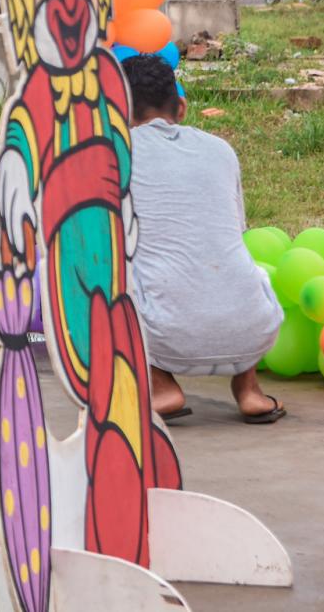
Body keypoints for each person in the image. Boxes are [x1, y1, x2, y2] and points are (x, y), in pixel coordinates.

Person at [121, 53, 286, 424]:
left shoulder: (115, 155)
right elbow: (234, 228)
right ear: (180, 107)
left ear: (117, 112)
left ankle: (161, 386)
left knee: (109, 274)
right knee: (238, 265)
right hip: (253, 330)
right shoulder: (220, 150)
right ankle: (249, 390)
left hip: (165, 337)